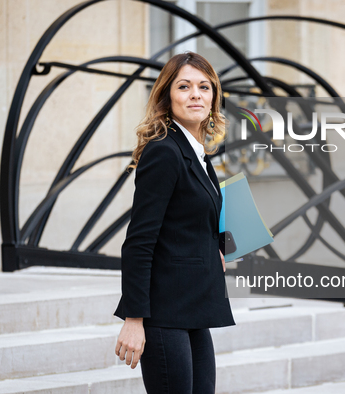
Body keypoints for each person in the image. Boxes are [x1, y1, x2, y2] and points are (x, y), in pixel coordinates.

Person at [113, 52, 235, 394]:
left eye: (204, 87)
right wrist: (134, 319)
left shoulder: (197, 153)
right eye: (184, 86)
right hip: (165, 313)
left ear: (213, 97)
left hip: (194, 308)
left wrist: (219, 247)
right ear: (168, 96)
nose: (195, 94)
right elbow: (139, 241)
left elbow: (189, 223)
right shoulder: (164, 152)